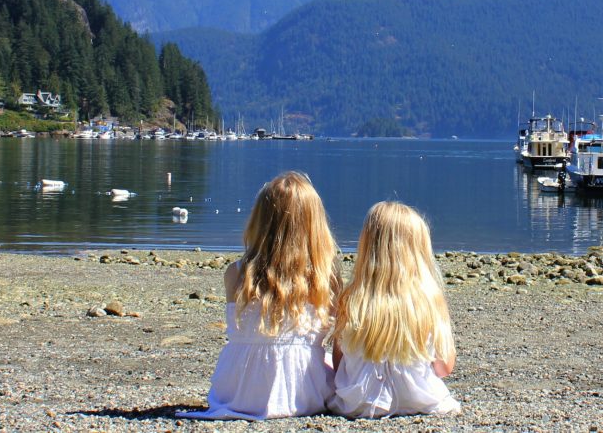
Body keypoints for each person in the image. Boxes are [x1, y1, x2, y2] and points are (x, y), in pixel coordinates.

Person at [178, 171, 339, 420]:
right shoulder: (325, 277)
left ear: (260, 221)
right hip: (304, 391)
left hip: (237, 391)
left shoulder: (237, 273)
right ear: (315, 225)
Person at [329, 201, 460, 418]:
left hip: (358, 402)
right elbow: (444, 367)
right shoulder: (430, 299)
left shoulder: (352, 298)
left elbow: (337, 363)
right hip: (420, 399)